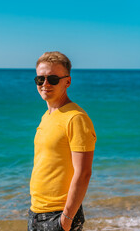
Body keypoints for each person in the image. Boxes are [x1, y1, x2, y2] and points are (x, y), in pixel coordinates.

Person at [28, 51, 96, 231]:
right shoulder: (47, 116)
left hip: (59, 215)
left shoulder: (76, 118)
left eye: (53, 79)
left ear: (67, 81)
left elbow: (83, 173)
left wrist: (66, 219)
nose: (45, 84)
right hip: (36, 211)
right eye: (40, 79)